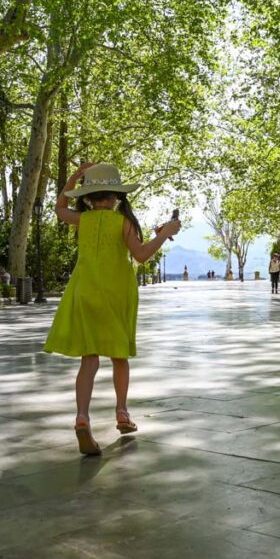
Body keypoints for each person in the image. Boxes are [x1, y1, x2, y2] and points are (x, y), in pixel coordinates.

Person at [44, 162, 180, 456]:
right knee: (119, 356)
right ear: (117, 196)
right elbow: (141, 256)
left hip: (85, 291)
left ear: (90, 196)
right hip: (116, 293)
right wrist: (165, 232)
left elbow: (59, 207)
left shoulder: (83, 220)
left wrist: (74, 176)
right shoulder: (123, 222)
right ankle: (121, 412)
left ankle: (82, 417)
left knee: (89, 359)